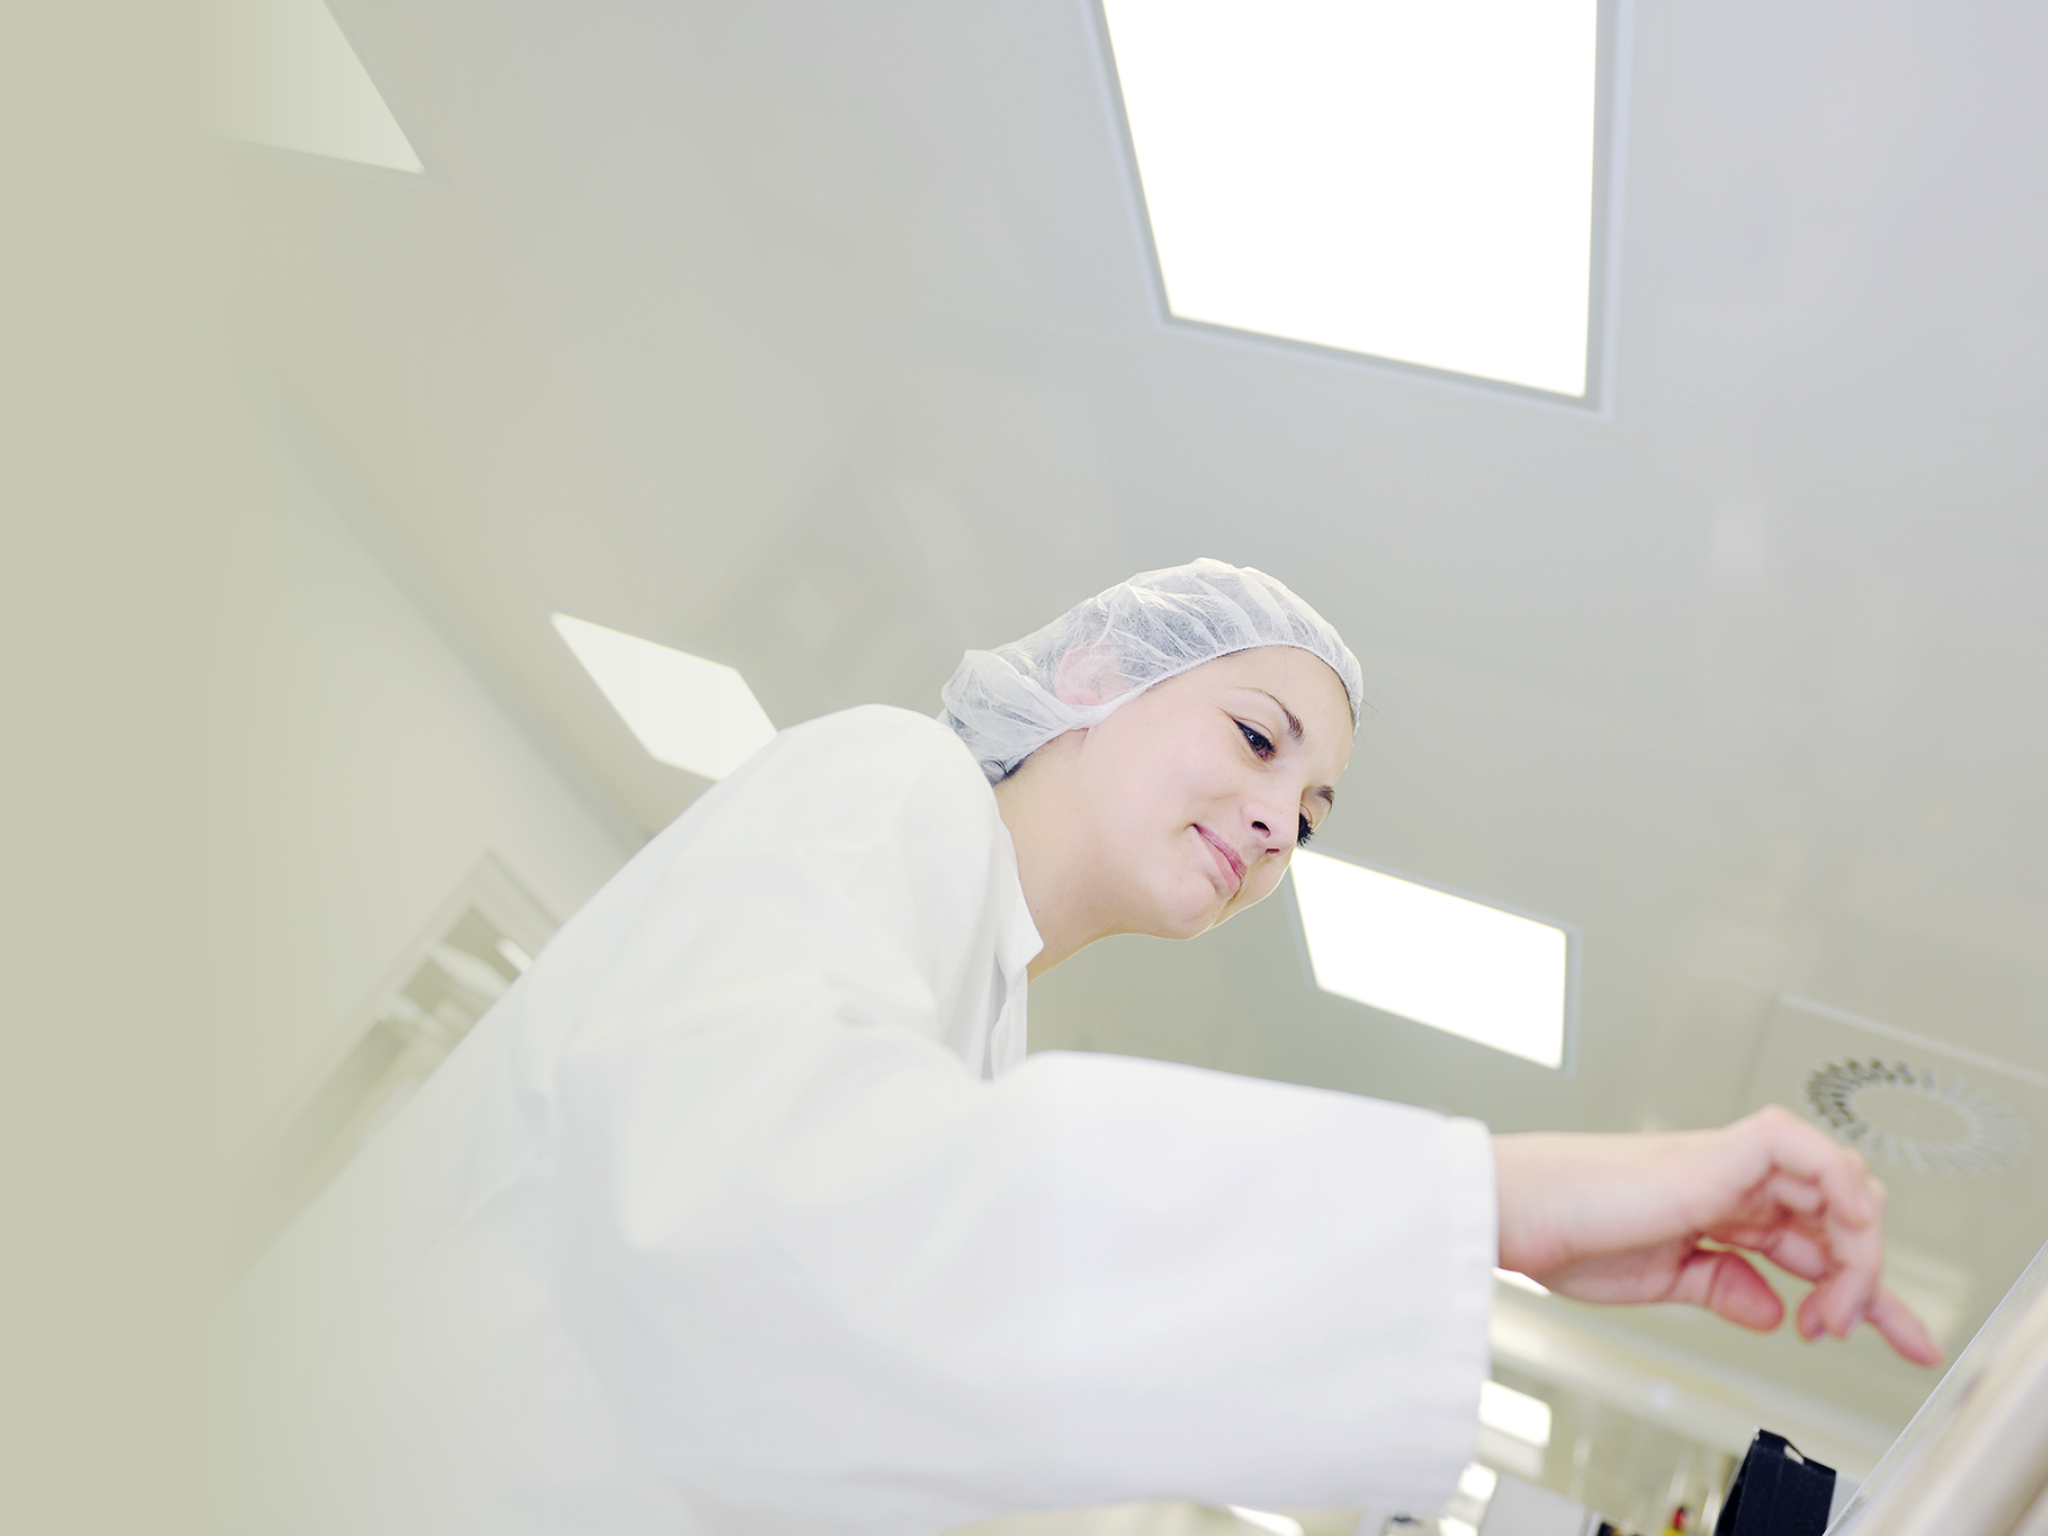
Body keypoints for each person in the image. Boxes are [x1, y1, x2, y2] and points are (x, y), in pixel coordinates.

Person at [221, 559, 1939, 1536]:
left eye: (1312, 817)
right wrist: (1490, 1202)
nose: (1275, 822)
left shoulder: (972, 1022)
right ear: (1102, 670)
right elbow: (760, 1221)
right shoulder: (882, 781)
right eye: (1259, 741)